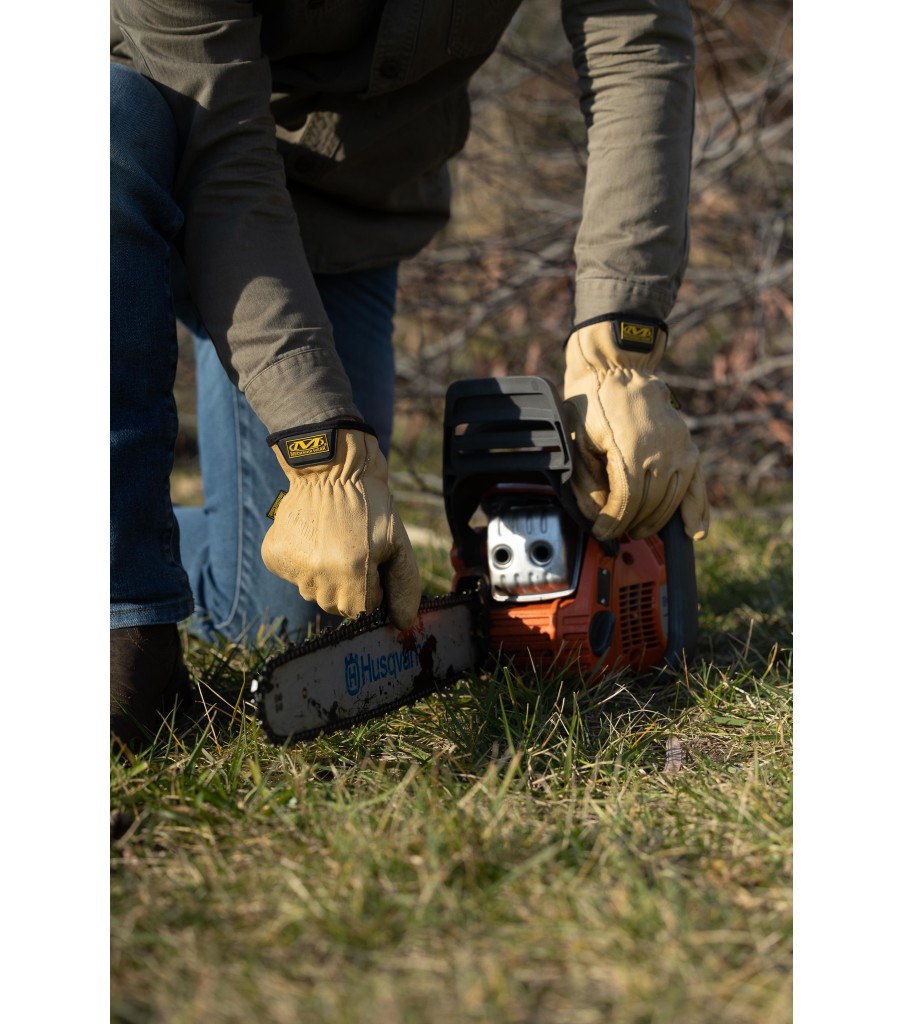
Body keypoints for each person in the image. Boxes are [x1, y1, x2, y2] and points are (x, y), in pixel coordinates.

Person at [110, 0, 709, 746]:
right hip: (158, 142)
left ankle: (183, 550)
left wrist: (620, 346)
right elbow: (222, 160)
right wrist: (320, 445)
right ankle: (116, 606)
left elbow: (636, 39)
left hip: (341, 199)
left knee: (292, 602)